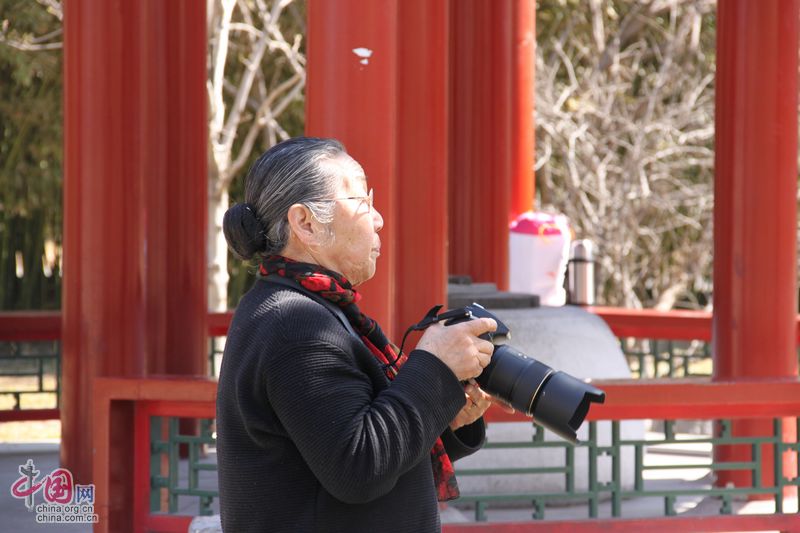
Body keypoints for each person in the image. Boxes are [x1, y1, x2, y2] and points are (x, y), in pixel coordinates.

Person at [216, 137, 508, 532]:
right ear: (306, 224)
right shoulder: (294, 324)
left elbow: (353, 452)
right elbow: (358, 467)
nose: (378, 219)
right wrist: (434, 366)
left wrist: (444, 416)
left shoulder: (300, 307)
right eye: (362, 203)